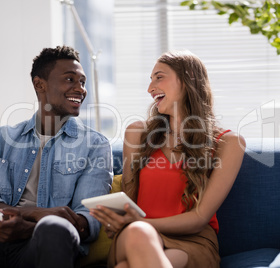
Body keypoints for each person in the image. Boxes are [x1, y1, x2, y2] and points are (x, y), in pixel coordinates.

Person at [0, 46, 113, 268]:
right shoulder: (0, 139)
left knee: (55, 229)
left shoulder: (94, 145)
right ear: (40, 84)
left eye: (83, 82)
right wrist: (34, 213)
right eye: (70, 79)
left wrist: (30, 227)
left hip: (44, 243)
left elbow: (89, 220)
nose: (80, 89)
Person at [90, 50, 246, 268]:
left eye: (159, 77)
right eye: (150, 80)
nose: (150, 88)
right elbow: (129, 202)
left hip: (192, 242)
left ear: (188, 78)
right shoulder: (138, 134)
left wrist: (140, 222)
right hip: (134, 235)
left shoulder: (228, 142)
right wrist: (117, 219)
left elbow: (199, 218)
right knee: (138, 233)